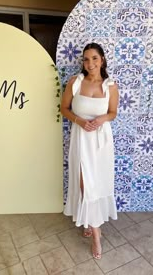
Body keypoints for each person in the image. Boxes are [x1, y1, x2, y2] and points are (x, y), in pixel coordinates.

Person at [60, 42, 118, 260]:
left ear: (102, 59)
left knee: (98, 185)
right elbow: (63, 108)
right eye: (86, 59)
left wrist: (102, 118)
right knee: (86, 186)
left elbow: (113, 112)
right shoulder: (75, 82)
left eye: (94, 58)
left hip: (101, 144)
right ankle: (96, 235)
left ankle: (91, 223)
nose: (90, 63)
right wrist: (80, 121)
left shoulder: (110, 85)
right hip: (81, 140)